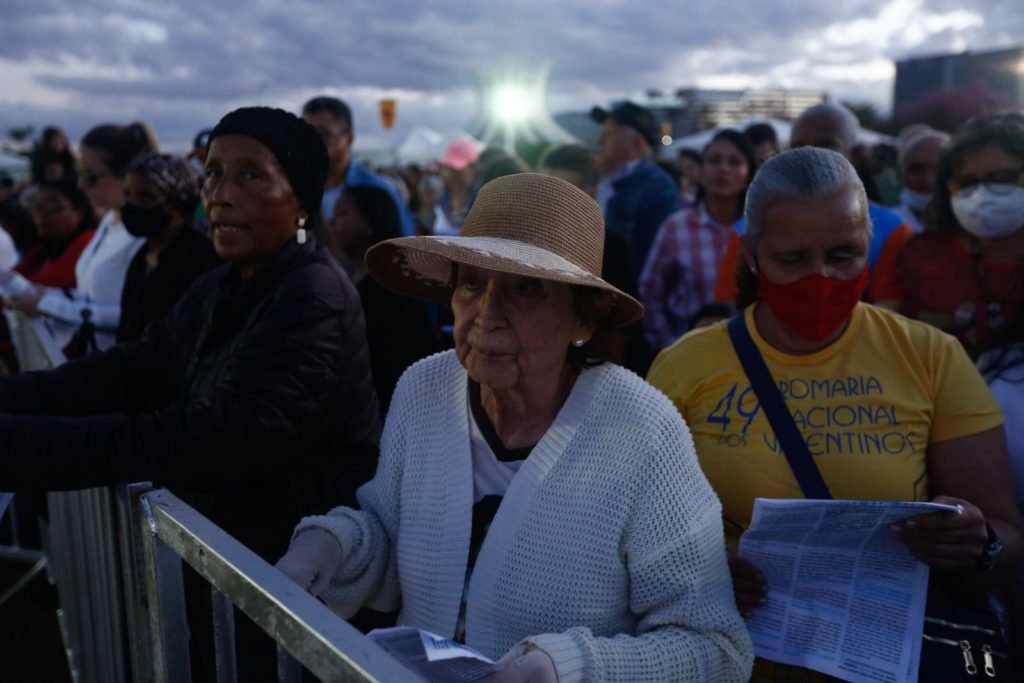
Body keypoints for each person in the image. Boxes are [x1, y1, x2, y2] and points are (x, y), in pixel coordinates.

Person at [276, 173, 754, 682]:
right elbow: (395, 539)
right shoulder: (424, 389)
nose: (485, 316)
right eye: (471, 285)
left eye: (524, 289)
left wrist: (566, 669)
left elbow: (714, 649)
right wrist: (332, 544)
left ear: (584, 320)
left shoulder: (641, 431)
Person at [0, 107, 381, 680]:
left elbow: (211, 436)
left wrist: (20, 445)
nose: (221, 195)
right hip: (230, 564)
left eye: (251, 175)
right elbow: (126, 370)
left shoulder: (313, 295)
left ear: (300, 200)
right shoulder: (223, 283)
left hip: (290, 584)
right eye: (212, 173)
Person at [647, 147, 1024, 681]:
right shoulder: (686, 366)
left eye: (843, 255)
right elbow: (636, 531)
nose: (820, 278)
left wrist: (974, 541)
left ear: (869, 243)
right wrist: (701, 567)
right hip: (734, 657)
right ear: (752, 254)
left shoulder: (931, 356)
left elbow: (1008, 538)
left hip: (890, 658)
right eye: (793, 260)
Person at [713, 103, 912, 303]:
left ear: (856, 152)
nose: (812, 156)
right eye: (799, 147)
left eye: (827, 146)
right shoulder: (745, 231)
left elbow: (886, 315)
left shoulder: (892, 231)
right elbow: (730, 311)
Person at [878, 112, 1024, 357]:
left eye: (1000, 179)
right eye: (966, 183)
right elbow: (883, 336)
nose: (981, 194)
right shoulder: (915, 254)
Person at [7, 123, 155, 352]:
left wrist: (47, 303)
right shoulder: (109, 222)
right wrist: (45, 294)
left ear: (125, 175)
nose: (81, 184)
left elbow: (141, 315)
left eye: (91, 176)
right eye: (80, 174)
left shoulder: (144, 234)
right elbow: (89, 296)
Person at [640, 129, 755, 351]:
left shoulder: (759, 231)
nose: (723, 168)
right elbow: (650, 292)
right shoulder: (676, 227)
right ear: (701, 172)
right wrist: (669, 346)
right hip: (688, 351)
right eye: (714, 160)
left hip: (751, 352)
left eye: (734, 161)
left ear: (748, 174)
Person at [327, 183, 440, 411]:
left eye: (342, 213)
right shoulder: (358, 280)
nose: (332, 223)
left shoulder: (388, 292)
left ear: (370, 222)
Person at [539, 142, 648, 372]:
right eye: (544, 190)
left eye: (564, 193)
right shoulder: (523, 242)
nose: (551, 202)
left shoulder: (613, 249)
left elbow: (625, 328)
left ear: (592, 194)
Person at [115, 154, 220, 342]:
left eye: (145, 196)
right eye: (127, 194)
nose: (132, 204)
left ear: (177, 203)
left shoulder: (202, 259)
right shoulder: (142, 256)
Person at [301, 95, 414, 235]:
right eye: (306, 134)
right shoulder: (294, 189)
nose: (313, 142)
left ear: (349, 138)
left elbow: (401, 251)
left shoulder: (377, 192)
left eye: (324, 134)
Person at [591, 101, 682, 271]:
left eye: (608, 133)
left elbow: (653, 261)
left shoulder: (658, 187)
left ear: (637, 142)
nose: (600, 141)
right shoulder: (602, 180)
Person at [17, 180, 96, 288]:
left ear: (79, 213)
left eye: (53, 207)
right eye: (36, 207)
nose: (42, 214)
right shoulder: (41, 249)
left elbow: (51, 282)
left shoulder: (89, 243)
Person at [893, 126, 950, 233]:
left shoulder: (976, 227)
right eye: (917, 169)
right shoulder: (883, 228)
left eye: (939, 169)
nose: (929, 180)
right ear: (900, 174)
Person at [437, 136, 481, 234]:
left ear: (473, 168)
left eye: (458, 169)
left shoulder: (482, 198)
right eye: (450, 167)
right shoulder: (441, 198)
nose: (454, 172)